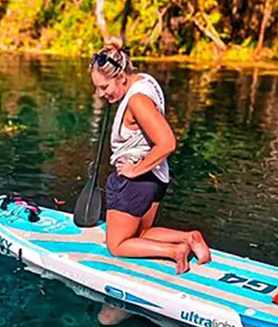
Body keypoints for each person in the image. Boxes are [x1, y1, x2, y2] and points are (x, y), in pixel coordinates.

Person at [90, 37, 211, 275]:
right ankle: (190, 238)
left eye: (104, 87)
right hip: (155, 179)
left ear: (121, 77)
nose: (101, 94)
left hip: (136, 181)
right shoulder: (143, 81)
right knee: (139, 235)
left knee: (117, 245)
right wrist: (111, 48)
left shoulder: (137, 100)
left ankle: (175, 251)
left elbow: (167, 142)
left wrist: (134, 170)